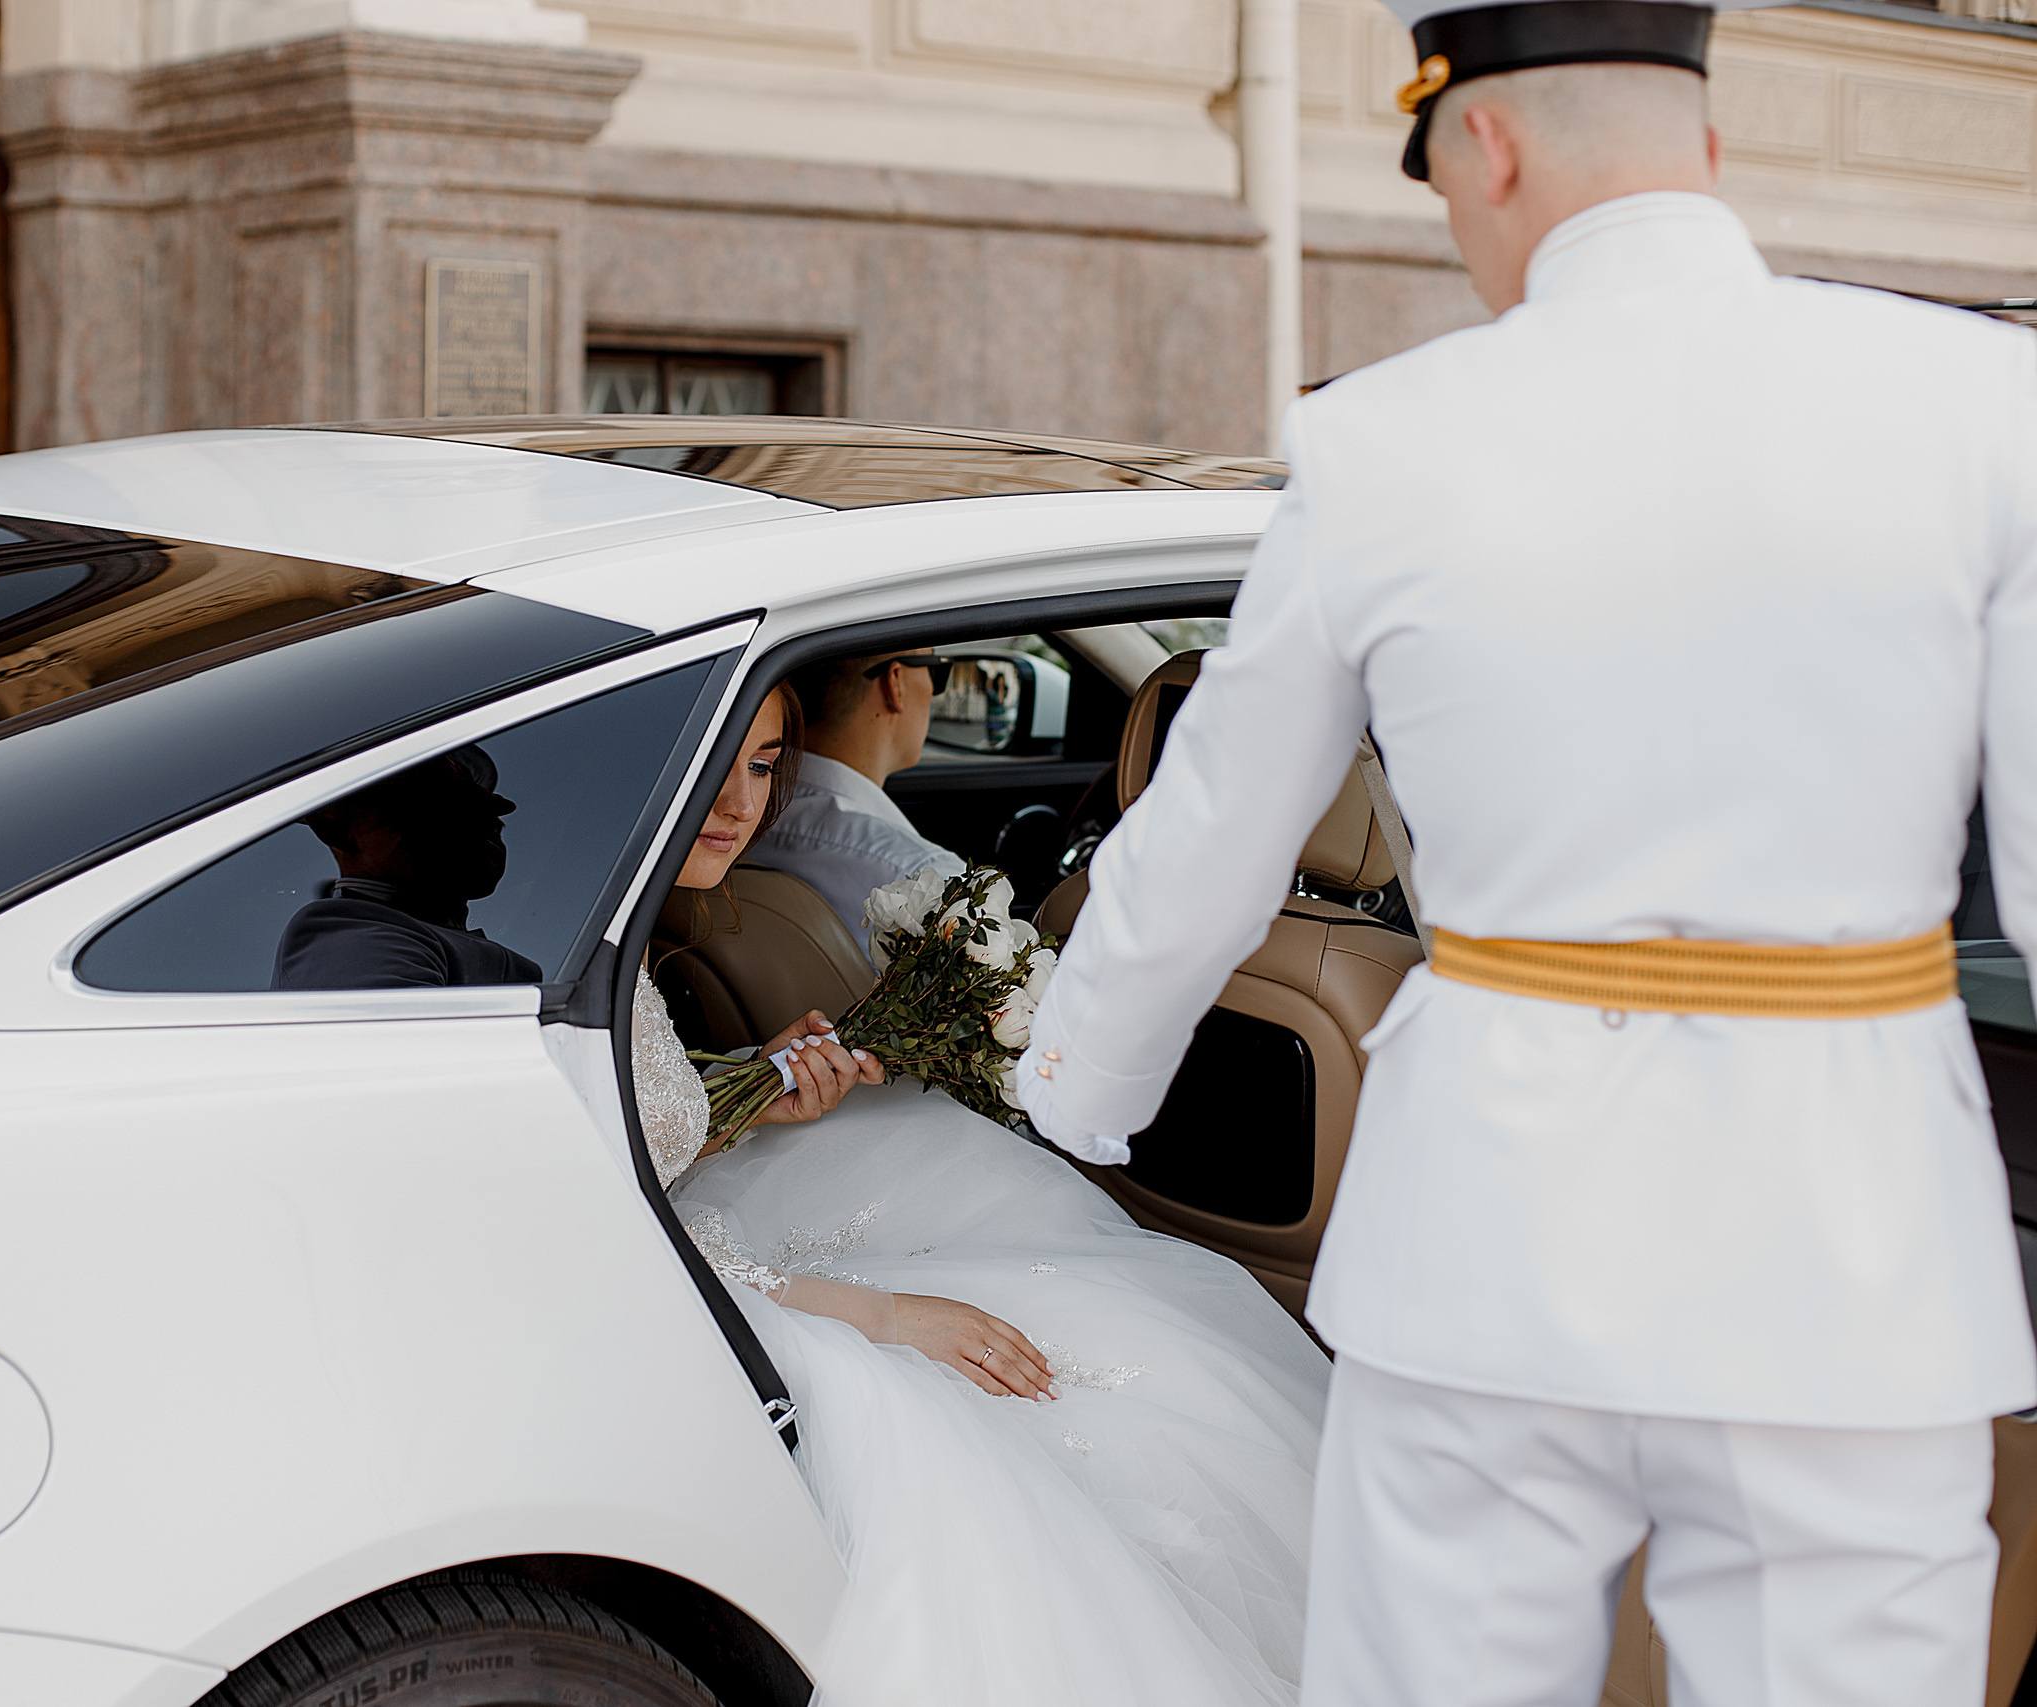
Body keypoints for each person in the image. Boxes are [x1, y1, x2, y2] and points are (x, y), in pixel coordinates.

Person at [1019, 6, 2037, 1703]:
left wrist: (1077, 1095)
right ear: (1703, 140)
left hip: (1490, 1251)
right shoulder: (1990, 403)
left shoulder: (1381, 443)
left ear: (1481, 145)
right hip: (1854, 1254)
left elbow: (1209, 830)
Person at [643, 683, 1328, 1706]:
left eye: (761, 765)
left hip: (709, 1213)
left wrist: (746, 1091)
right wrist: (883, 1316)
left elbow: (629, 1121)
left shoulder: (617, 928)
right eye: (716, 763)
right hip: (688, 1283)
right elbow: (627, 1230)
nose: (742, 805)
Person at [273, 747, 542, 990]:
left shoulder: (412, 933)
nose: (493, 816)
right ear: (335, 828)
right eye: (439, 798)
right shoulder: (351, 941)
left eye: (476, 799)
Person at [750, 651, 965, 949]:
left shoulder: (732, 829)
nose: (933, 690)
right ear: (895, 683)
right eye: (938, 673)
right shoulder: (928, 883)